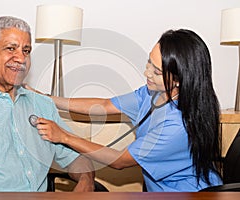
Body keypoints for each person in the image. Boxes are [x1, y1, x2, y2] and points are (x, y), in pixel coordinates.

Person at [27, 29, 223, 191]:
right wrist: (46, 98)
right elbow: (104, 105)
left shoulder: (177, 126)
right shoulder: (152, 93)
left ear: (179, 79)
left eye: (156, 71)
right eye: (149, 63)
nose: (147, 73)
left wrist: (64, 136)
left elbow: (118, 161)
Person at [0, 16, 95, 192]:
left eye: (26, 51)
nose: (21, 58)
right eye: (11, 48)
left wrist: (86, 182)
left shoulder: (43, 105)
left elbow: (76, 159)